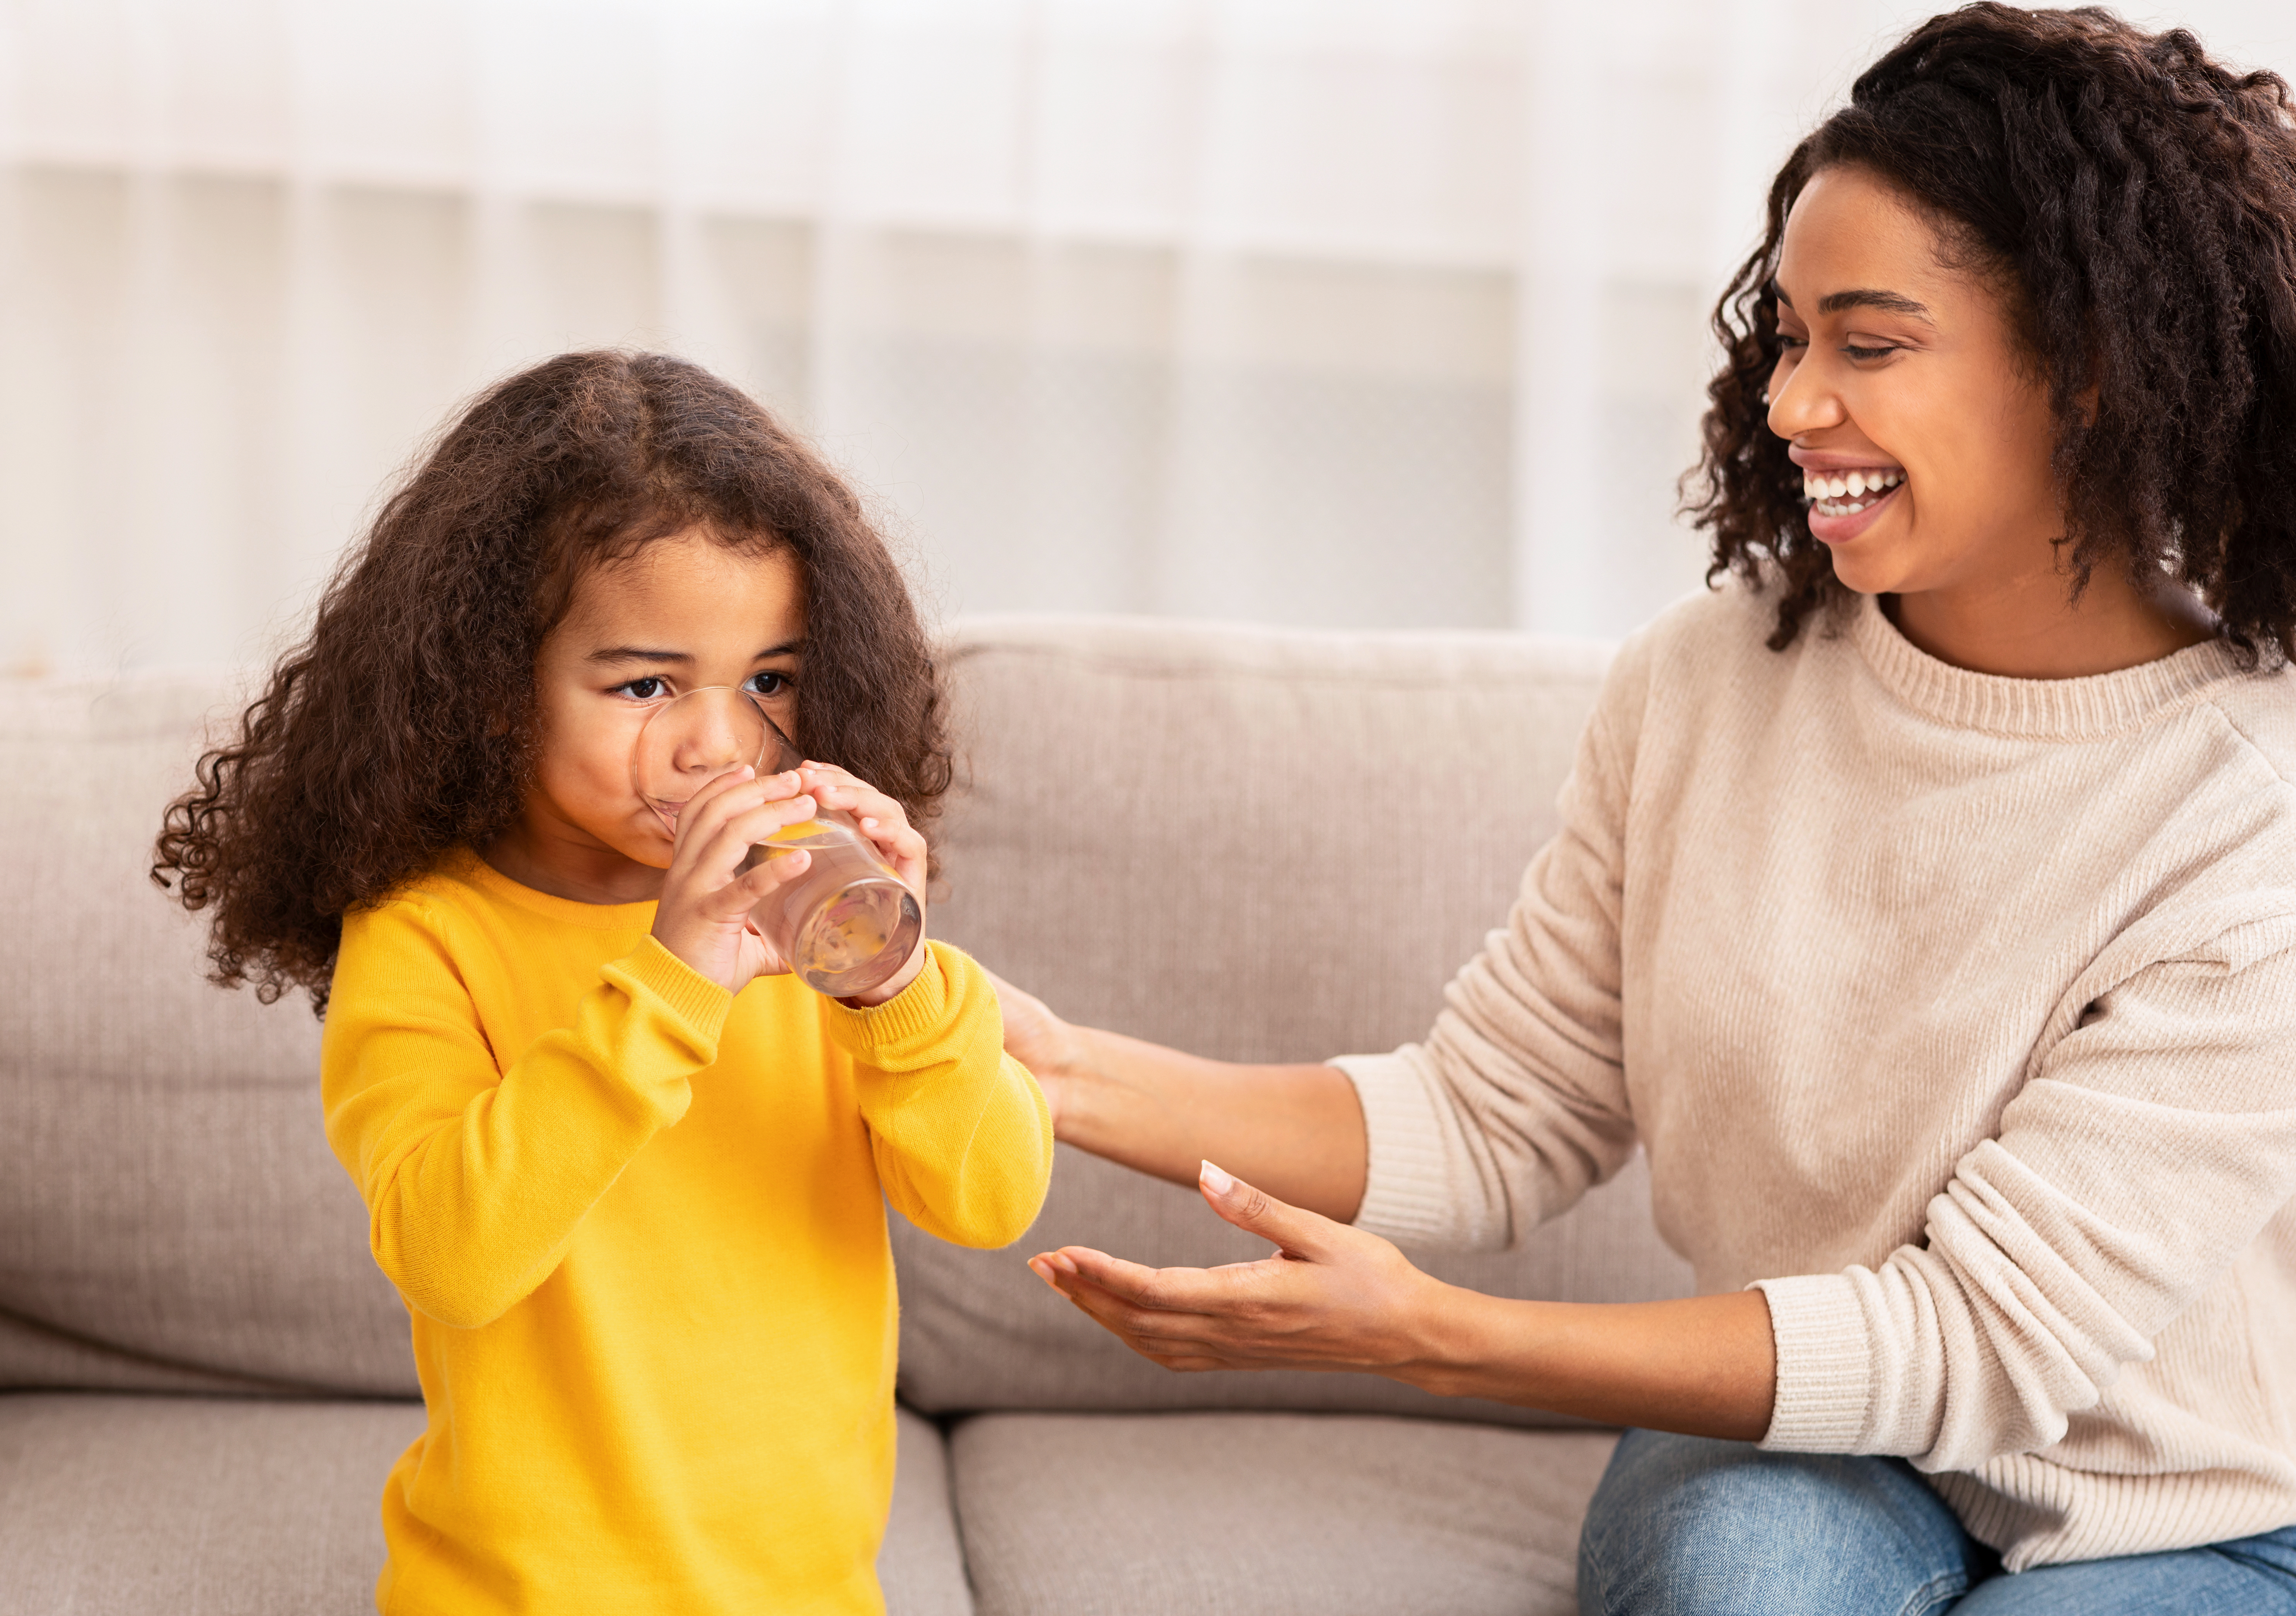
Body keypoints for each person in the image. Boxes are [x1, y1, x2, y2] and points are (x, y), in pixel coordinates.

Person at [997, 7, 2296, 1610]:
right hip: (1808, 1440)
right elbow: (1494, 1110)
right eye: (1791, 339)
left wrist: (1449, 1341)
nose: (1791, 403)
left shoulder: (2253, 813)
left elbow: (1977, 1340)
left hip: (2187, 1510)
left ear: (2093, 369)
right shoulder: (1710, 680)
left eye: (1867, 344)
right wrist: (1051, 1067)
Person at [151, 352, 1053, 1615]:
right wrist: (672, 981)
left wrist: (893, 983)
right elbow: (451, 1255)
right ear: (485, 686)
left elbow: (991, 1199)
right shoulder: (430, 932)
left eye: (770, 681)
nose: (721, 741)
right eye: (644, 684)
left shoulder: (815, 922)